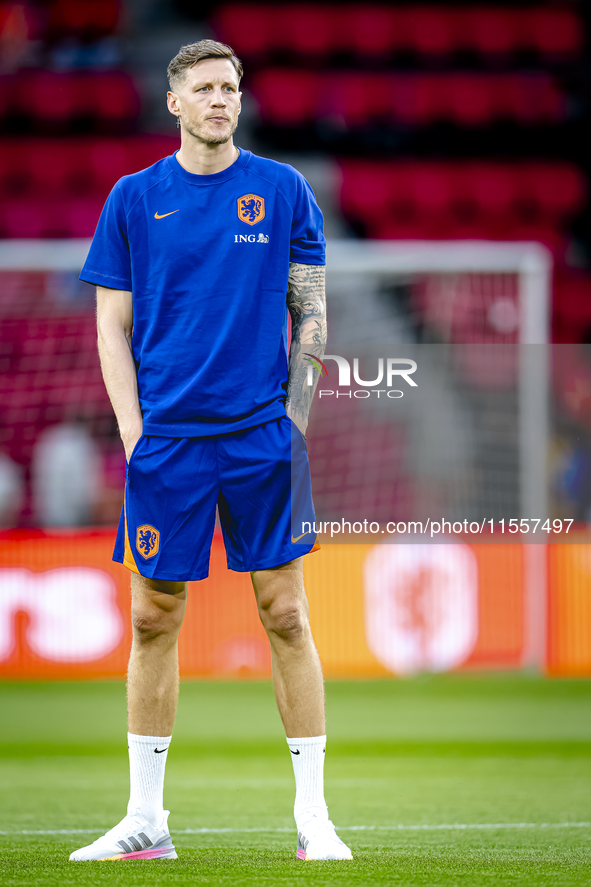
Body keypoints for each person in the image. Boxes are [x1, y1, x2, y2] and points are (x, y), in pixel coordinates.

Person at [70, 40, 352, 863]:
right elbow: (110, 328)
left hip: (262, 435)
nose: (222, 99)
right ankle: (146, 821)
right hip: (167, 442)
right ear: (174, 102)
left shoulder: (282, 189)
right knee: (152, 618)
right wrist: (131, 429)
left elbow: (312, 314)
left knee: (288, 615)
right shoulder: (132, 199)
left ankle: (314, 818)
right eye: (205, 88)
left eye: (231, 87)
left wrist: (293, 421)